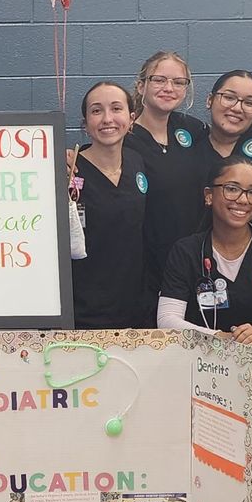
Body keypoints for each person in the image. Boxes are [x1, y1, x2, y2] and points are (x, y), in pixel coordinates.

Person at [125, 52, 252, 301]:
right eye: (159, 80)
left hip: (238, 263)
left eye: (178, 82)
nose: (168, 88)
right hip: (162, 261)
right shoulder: (127, 139)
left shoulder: (190, 129)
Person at [158, 157, 252, 347]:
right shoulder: (186, 251)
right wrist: (218, 337)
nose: (243, 200)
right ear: (209, 195)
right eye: (232, 189)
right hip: (202, 358)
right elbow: (167, 319)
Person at [70, 81, 149, 328]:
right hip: (84, 310)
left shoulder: (137, 162)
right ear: (85, 123)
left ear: (132, 118)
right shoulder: (68, 171)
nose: (107, 118)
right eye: (96, 111)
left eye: (116, 109)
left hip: (134, 307)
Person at [192, 70, 252, 195]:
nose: (237, 108)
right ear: (210, 100)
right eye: (229, 97)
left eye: (249, 103)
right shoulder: (192, 143)